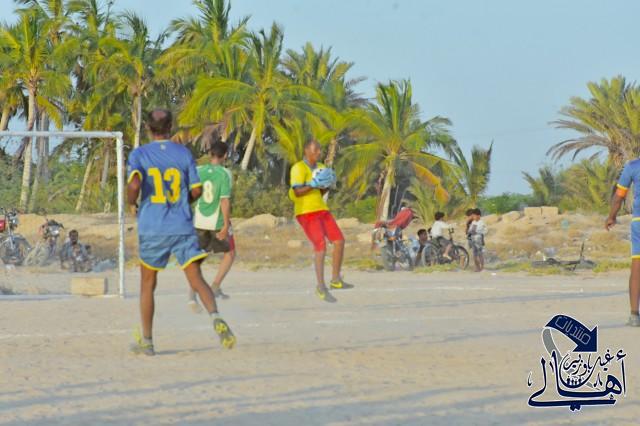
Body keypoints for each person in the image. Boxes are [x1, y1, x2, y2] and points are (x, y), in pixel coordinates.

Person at [127, 108, 235, 355]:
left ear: (147, 128)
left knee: (147, 284)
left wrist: (131, 202)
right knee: (196, 278)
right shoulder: (184, 153)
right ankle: (216, 317)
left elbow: (134, 184)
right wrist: (181, 203)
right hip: (182, 225)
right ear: (171, 127)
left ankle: (147, 342)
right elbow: (196, 190)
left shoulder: (140, 154)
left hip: (153, 226)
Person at [290, 139, 353, 303]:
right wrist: (313, 184)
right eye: (315, 150)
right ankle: (321, 287)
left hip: (321, 209)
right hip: (306, 212)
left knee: (339, 241)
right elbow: (297, 192)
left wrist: (328, 184)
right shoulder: (298, 168)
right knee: (320, 246)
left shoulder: (321, 167)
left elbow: (321, 191)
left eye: (319, 150)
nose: (319, 153)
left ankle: (336, 280)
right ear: (307, 151)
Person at [188, 140, 236, 312]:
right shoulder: (225, 173)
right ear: (225, 156)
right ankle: (215, 286)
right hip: (216, 222)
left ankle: (192, 297)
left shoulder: (198, 170)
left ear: (210, 155)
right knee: (230, 253)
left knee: (197, 259)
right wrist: (225, 225)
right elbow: (224, 201)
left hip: (199, 221)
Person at [606, 159, 640, 326]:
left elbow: (619, 197)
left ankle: (634, 316)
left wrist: (611, 216)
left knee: (637, 266)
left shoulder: (633, 166)